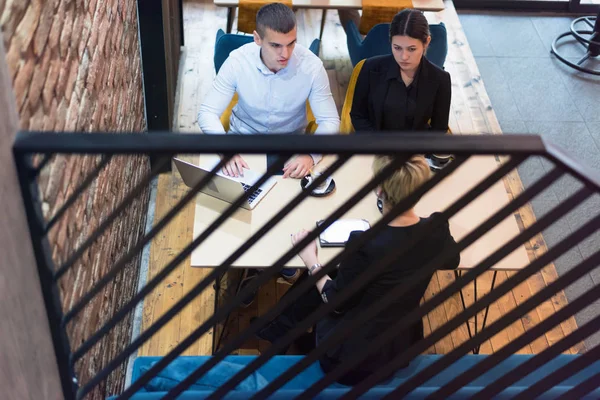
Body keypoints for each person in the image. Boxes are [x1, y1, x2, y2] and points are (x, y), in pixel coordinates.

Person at [254, 155, 461, 385]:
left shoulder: (366, 245)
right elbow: (452, 261)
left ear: (380, 192)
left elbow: (334, 300)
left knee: (324, 273)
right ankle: (281, 329)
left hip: (349, 358)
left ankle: (280, 331)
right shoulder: (437, 229)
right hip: (398, 344)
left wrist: (310, 258)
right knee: (336, 271)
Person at [198, 3, 340, 179]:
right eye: (276, 45)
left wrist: (310, 155)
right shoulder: (237, 61)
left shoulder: (312, 66)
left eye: (291, 43)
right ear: (257, 39)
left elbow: (330, 120)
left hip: (290, 147)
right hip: (242, 143)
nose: (285, 54)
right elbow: (207, 112)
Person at [350, 9, 452, 133]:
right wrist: (377, 147)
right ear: (391, 42)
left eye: (411, 49)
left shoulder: (441, 79)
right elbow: (358, 115)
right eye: (397, 48)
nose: (403, 57)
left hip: (418, 148)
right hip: (374, 146)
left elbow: (439, 129)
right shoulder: (370, 67)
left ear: (426, 42)